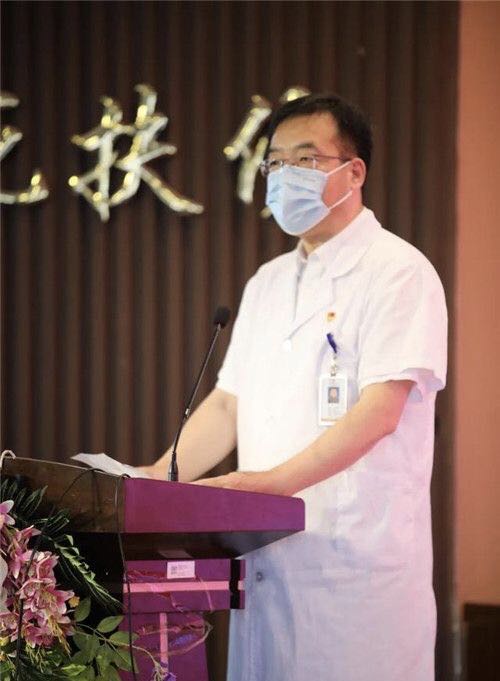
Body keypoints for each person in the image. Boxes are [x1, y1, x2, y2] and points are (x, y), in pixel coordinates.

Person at [142, 94, 447, 681]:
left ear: (353, 172)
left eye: (305, 159)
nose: (286, 176)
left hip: (354, 575)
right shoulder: (268, 282)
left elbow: (380, 412)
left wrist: (269, 488)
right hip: (266, 560)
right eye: (275, 163)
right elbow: (228, 406)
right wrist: (160, 478)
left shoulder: (399, 271)